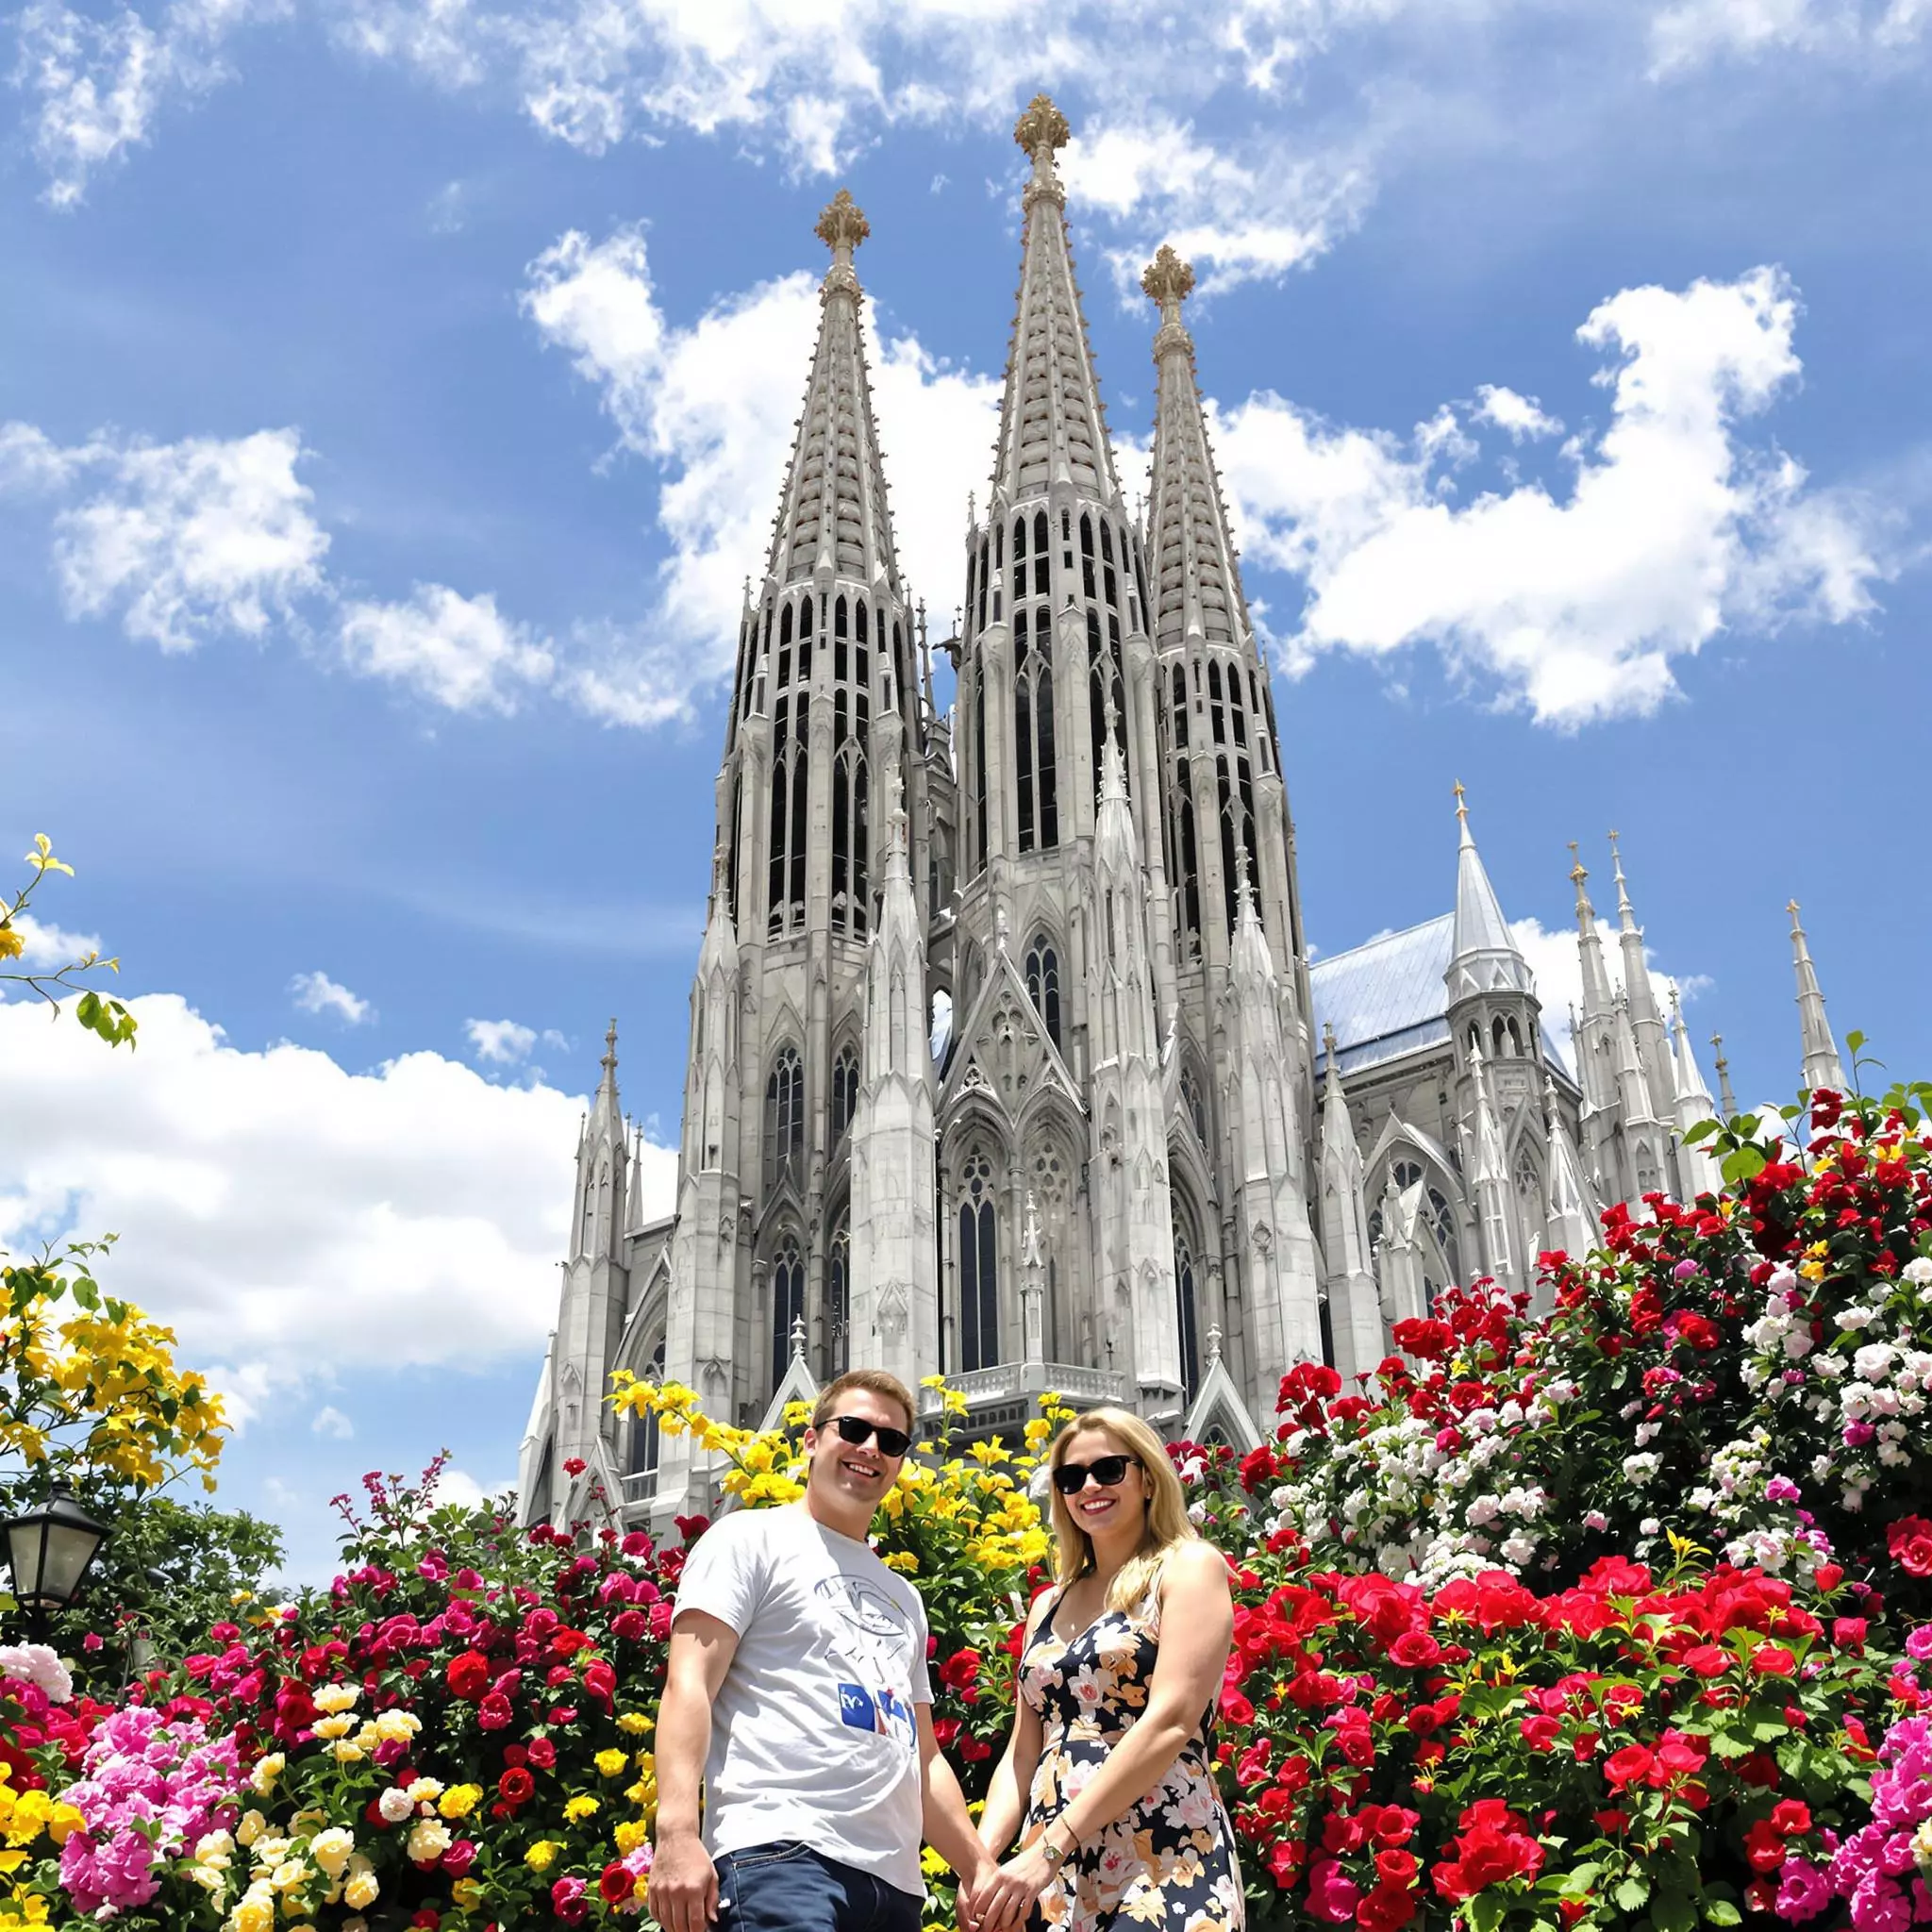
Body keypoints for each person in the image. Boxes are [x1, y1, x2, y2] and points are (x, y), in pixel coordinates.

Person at [647, 1368, 1001, 1932]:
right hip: (780, 1857)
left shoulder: (903, 1597)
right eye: (854, 1430)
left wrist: (978, 1869)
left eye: (891, 1441)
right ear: (812, 1440)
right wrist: (677, 1833)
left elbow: (923, 1756)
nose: (871, 1448)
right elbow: (689, 1685)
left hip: (894, 1888)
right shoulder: (747, 1538)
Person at [973, 1407, 1243, 1932]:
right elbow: (1024, 1752)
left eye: (1109, 1469)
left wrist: (1051, 1847)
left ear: (1147, 1478)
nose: (1089, 1486)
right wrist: (982, 1863)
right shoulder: (1048, 1604)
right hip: (1052, 1869)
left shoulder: (1187, 1567)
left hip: (1165, 1849)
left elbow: (1171, 1720)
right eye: (1071, 1478)